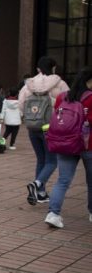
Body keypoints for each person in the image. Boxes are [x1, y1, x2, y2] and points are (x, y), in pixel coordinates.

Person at [44, 68, 92, 228]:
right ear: (89, 81)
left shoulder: (62, 97)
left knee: (63, 180)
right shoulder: (91, 98)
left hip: (65, 143)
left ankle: (53, 213)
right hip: (88, 145)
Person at [19, 57, 69, 205]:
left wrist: (30, 116)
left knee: (41, 159)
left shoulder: (29, 85)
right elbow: (68, 105)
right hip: (50, 127)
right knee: (52, 161)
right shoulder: (59, 84)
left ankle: (40, 193)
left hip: (32, 127)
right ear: (53, 68)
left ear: (38, 69)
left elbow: (21, 104)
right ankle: (37, 184)